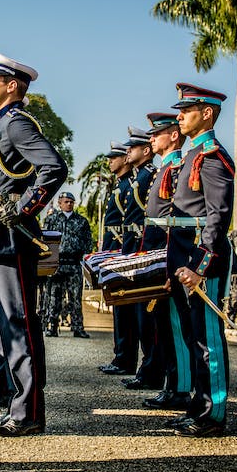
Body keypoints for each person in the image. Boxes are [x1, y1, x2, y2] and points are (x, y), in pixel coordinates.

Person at [0, 51, 67, 437]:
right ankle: (21, 405)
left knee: (18, 322)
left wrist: (26, 207)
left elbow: (54, 167)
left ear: (12, 86)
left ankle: (28, 411)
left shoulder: (15, 125)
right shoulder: (3, 127)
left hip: (11, 236)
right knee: (8, 324)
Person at [165, 83, 235, 438]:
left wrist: (199, 266)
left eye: (186, 110)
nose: (179, 116)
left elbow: (217, 217)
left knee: (208, 338)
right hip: (184, 257)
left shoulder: (212, 156)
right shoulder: (193, 154)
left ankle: (213, 412)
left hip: (201, 259)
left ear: (206, 114)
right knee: (193, 338)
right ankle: (197, 405)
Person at [139, 112, 192, 411]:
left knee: (174, 326)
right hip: (158, 257)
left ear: (173, 136)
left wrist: (168, 264)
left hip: (169, 258)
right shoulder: (165, 168)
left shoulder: (176, 168)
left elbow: (173, 222)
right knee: (164, 326)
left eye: (156, 134)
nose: (151, 139)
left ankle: (181, 388)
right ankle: (173, 385)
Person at [119, 126, 164, 390]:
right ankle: (148, 370)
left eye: (132, 148)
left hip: (144, 248)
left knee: (148, 317)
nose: (127, 152)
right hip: (136, 247)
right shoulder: (139, 177)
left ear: (145, 152)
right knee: (141, 316)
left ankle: (152, 371)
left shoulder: (149, 175)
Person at [97, 142, 135, 375]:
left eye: (115, 157)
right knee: (120, 309)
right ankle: (121, 356)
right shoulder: (120, 185)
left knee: (126, 310)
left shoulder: (130, 185)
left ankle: (126, 359)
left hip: (122, 251)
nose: (110, 161)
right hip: (114, 251)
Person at [43, 192, 92, 338]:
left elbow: (88, 241)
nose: (69, 204)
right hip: (56, 264)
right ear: (59, 203)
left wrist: (84, 255)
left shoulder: (81, 221)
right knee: (54, 298)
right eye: (66, 201)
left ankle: (78, 328)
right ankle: (52, 327)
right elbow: (44, 240)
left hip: (74, 264)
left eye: (71, 201)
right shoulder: (52, 219)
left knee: (76, 298)